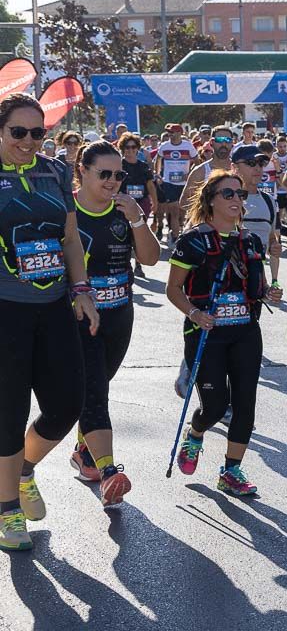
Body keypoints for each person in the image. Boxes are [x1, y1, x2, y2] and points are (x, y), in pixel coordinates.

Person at [0, 94, 99, 551]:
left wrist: (83, 292)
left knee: (66, 403)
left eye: (37, 133)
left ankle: (23, 470)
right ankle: (7, 511)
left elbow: (71, 237)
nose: (28, 141)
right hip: (6, 310)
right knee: (8, 412)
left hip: (55, 303)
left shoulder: (56, 171)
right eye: (18, 132)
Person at [167, 170, 281, 497]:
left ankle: (231, 470)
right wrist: (195, 313)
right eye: (228, 194)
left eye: (240, 195)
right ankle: (196, 432)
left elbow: (255, 288)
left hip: (245, 332)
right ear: (211, 200)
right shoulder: (193, 240)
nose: (236, 200)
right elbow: (173, 288)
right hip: (206, 334)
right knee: (216, 407)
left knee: (246, 405)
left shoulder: (250, 240)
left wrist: (267, 294)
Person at [69, 141, 159, 507]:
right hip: (79, 316)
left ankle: (84, 452)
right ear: (82, 171)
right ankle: (109, 471)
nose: (112, 181)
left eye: (118, 174)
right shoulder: (67, 209)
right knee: (94, 390)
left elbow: (151, 259)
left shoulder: (125, 210)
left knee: (98, 383)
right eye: (103, 173)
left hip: (120, 312)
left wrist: (138, 217)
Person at [231, 145, 282, 289]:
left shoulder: (269, 201)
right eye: (250, 163)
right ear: (234, 167)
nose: (258, 168)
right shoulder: (223, 196)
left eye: (261, 164)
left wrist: (273, 246)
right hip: (224, 278)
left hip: (255, 279)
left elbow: (271, 237)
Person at [117, 133, 157, 278]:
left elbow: (150, 185)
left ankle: (138, 265)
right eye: (127, 147)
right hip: (122, 203)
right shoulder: (118, 165)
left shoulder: (143, 166)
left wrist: (155, 202)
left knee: (140, 233)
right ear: (122, 149)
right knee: (125, 234)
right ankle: (124, 262)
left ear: (138, 149)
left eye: (133, 147)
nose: (130, 150)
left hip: (142, 203)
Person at [156, 124, 198, 244]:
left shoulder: (188, 145)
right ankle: (175, 238)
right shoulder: (165, 146)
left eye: (172, 132)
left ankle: (182, 230)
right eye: (169, 132)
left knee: (183, 211)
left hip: (184, 183)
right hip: (169, 183)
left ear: (180, 133)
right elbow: (158, 160)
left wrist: (189, 173)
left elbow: (197, 161)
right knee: (174, 210)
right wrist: (157, 174)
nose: (170, 134)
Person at [180, 126, 236, 211]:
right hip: (207, 222)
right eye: (219, 140)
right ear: (211, 143)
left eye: (228, 140)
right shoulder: (200, 171)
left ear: (232, 143)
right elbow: (184, 202)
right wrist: (207, 210)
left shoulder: (239, 169)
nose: (224, 144)